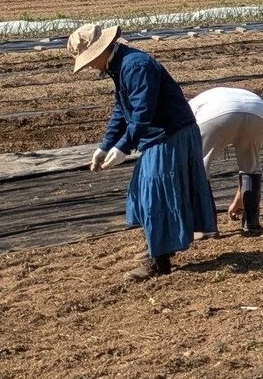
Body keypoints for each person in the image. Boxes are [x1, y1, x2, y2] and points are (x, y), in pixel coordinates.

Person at [67, 22, 215, 281]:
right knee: (144, 195)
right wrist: (105, 145)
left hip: (170, 134)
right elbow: (121, 109)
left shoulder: (135, 66)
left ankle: (157, 260)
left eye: (89, 60)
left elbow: (142, 112)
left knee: (153, 197)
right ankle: (157, 250)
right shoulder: (120, 65)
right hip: (160, 135)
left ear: (101, 50)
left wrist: (123, 147)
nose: (90, 66)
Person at [188, 86, 263, 235]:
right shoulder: (221, 95)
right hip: (259, 111)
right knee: (251, 165)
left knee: (199, 167)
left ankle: (206, 227)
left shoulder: (192, 105)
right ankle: (251, 223)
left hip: (218, 113)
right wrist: (239, 200)